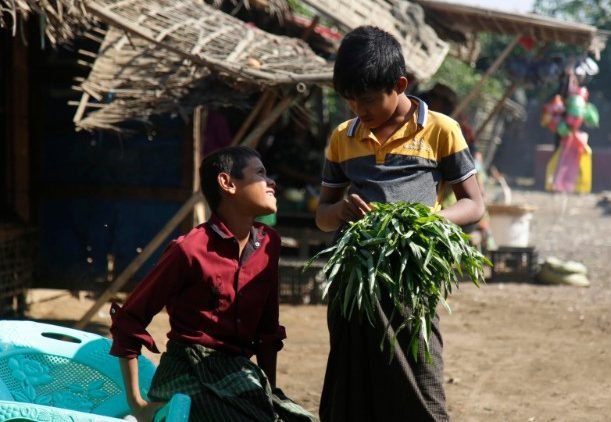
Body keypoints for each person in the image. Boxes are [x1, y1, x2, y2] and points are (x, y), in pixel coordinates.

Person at [315, 26, 485, 421]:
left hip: (411, 282)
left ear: (401, 85)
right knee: (351, 393)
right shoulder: (343, 137)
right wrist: (340, 211)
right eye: (351, 101)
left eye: (369, 100)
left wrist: (429, 220)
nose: (360, 109)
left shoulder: (441, 130)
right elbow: (322, 217)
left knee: (419, 386)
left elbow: (474, 204)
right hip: (354, 285)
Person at [109, 146, 316, 422]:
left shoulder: (269, 243)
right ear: (227, 183)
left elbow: (267, 331)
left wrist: (270, 394)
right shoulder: (190, 249)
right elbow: (129, 320)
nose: (271, 183)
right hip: (187, 372)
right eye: (260, 174)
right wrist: (137, 405)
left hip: (239, 375)